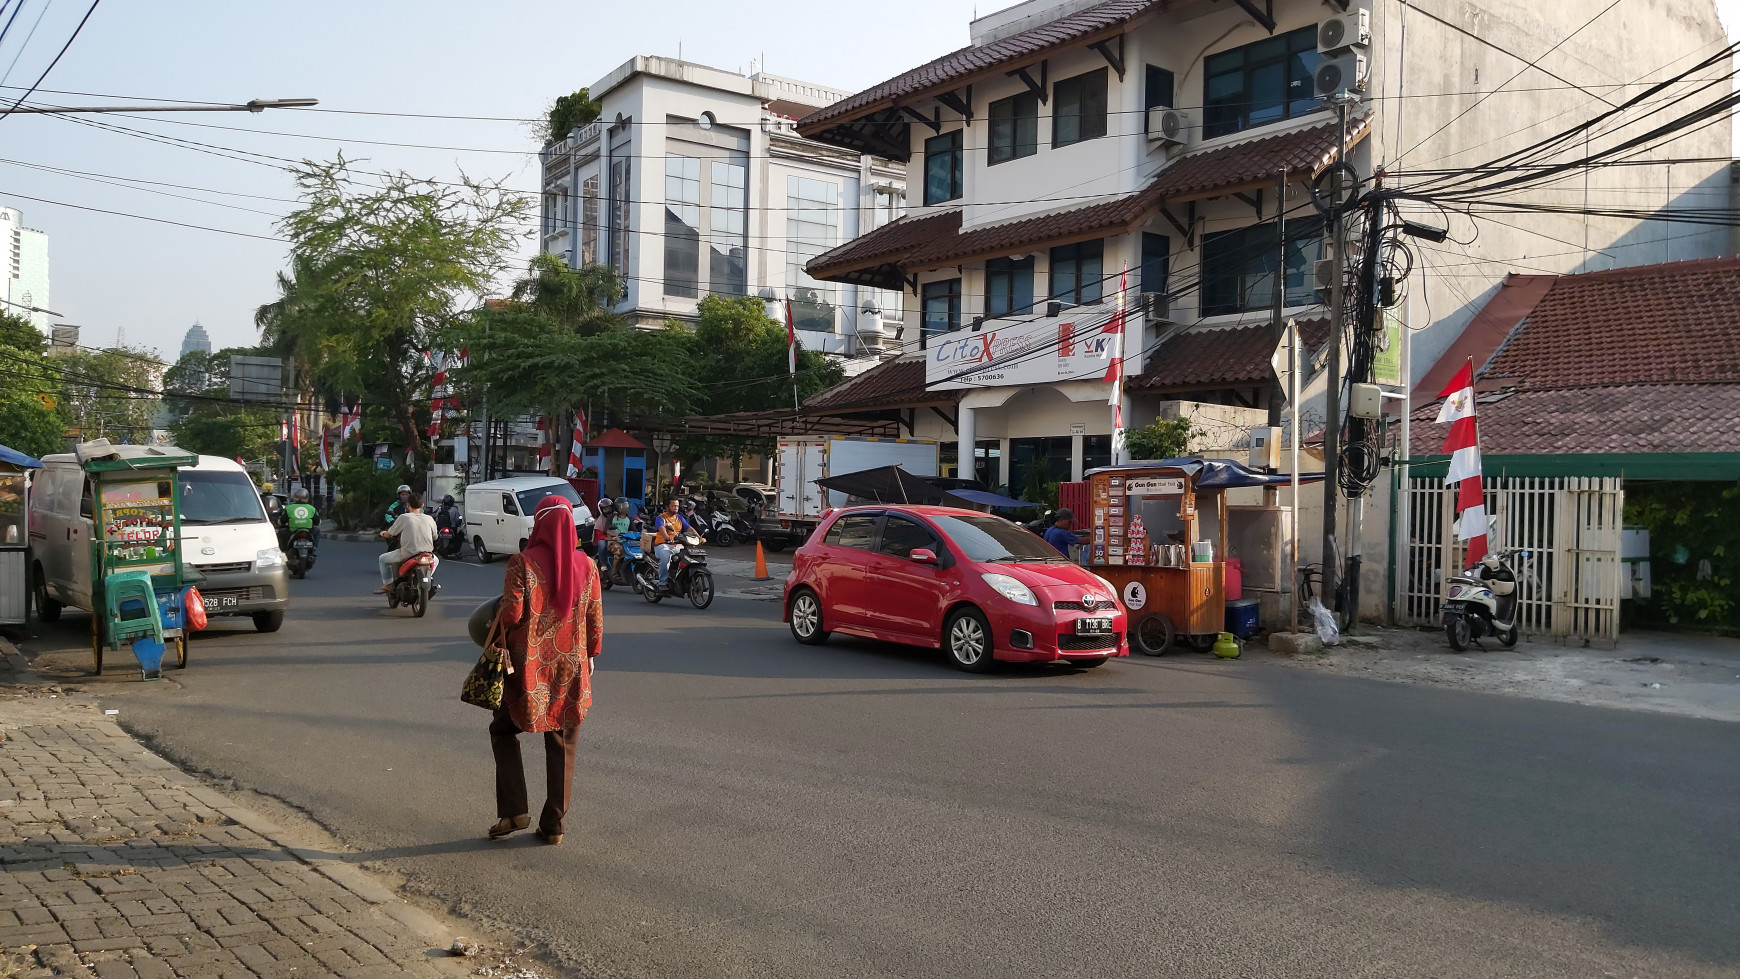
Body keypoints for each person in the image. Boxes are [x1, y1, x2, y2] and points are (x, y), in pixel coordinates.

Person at [484, 496, 603, 845]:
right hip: (571, 666)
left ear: (539, 525)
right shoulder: (589, 566)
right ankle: (553, 825)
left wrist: (491, 628)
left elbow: (511, 614)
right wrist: (591, 653)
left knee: (503, 730)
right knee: (562, 739)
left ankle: (514, 810)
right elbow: (594, 619)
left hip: (528, 667)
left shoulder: (522, 562)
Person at [377, 493, 437, 593]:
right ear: (422, 505)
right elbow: (435, 536)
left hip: (407, 553)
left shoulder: (404, 517)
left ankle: (388, 584)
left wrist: (383, 533)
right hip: (427, 555)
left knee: (382, 559)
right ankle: (428, 577)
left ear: (408, 505)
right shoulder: (429, 518)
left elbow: (391, 533)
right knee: (436, 561)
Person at [650, 497, 692, 591]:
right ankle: (663, 582)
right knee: (665, 558)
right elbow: (662, 529)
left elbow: (689, 528)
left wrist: (699, 537)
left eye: (677, 506)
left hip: (677, 545)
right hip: (663, 545)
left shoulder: (680, 518)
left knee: (690, 556)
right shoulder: (661, 518)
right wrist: (667, 537)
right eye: (673, 506)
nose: (676, 508)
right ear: (667, 507)